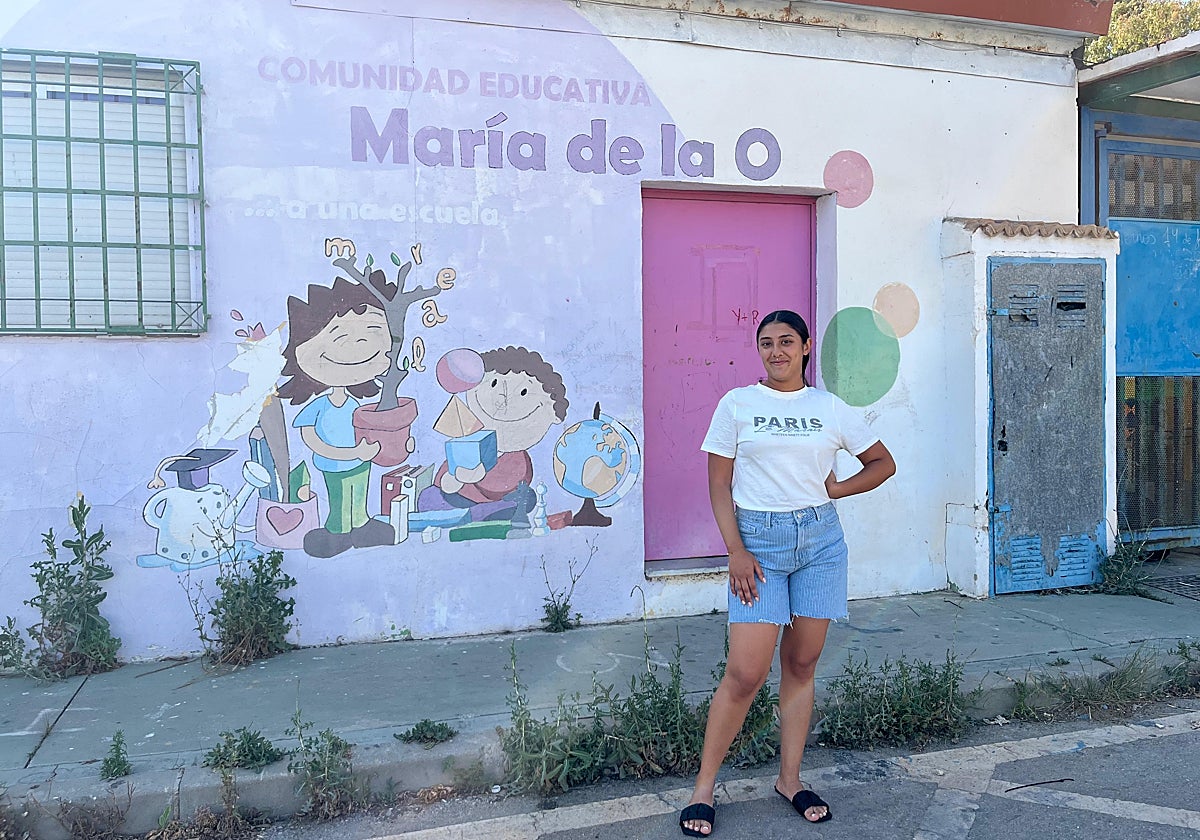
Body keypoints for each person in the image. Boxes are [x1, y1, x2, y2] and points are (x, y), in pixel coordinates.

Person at [679, 309, 896, 837]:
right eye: (766, 343)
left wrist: (837, 489)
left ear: (805, 347)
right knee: (745, 673)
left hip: (820, 544)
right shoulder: (738, 404)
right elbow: (718, 484)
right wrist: (734, 549)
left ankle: (790, 779)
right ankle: (703, 788)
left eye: (785, 341)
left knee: (802, 664)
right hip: (759, 545)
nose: (775, 351)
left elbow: (882, 463)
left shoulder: (829, 407)